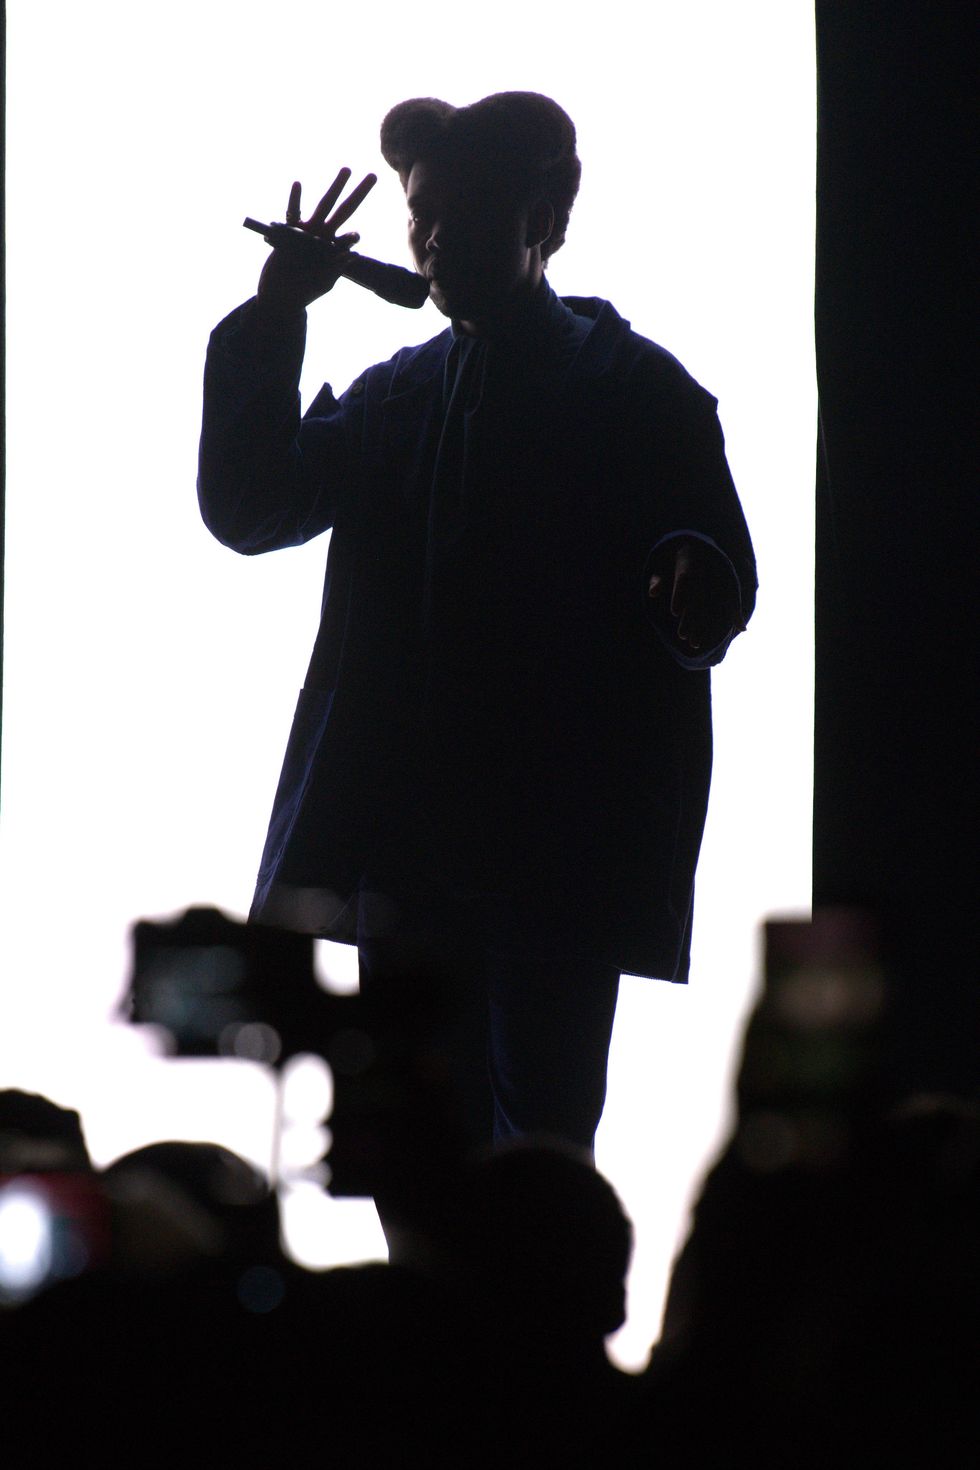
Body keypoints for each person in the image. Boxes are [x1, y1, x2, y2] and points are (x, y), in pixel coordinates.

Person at [198, 92, 756, 1160]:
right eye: (421, 214)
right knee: (405, 1145)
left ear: (543, 218)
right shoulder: (395, 398)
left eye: (466, 212)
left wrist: (696, 575)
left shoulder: (637, 391)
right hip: (404, 846)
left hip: (557, 843)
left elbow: (712, 565)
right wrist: (278, 313)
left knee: (540, 1142)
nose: (434, 239)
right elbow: (253, 507)